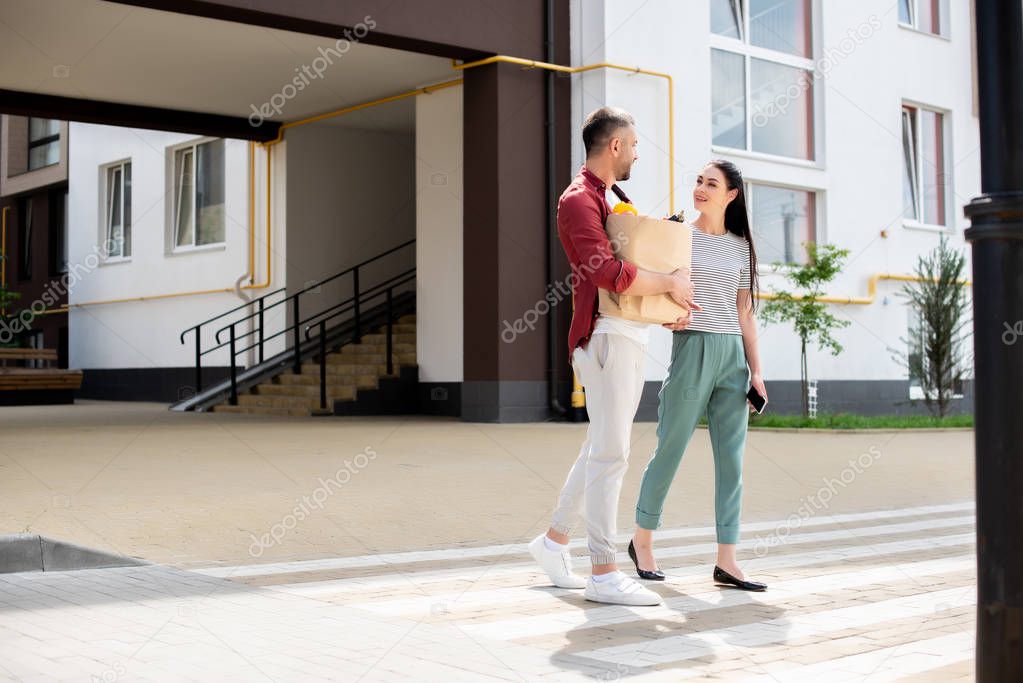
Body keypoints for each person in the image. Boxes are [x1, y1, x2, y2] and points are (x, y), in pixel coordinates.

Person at [529, 106, 698, 606]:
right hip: (605, 335)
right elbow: (608, 272)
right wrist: (669, 284)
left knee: (599, 448)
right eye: (635, 143)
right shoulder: (578, 200)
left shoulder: (611, 196)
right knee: (612, 452)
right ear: (615, 146)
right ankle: (603, 570)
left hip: (626, 330)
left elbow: (634, 266)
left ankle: (553, 543)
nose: (639, 152)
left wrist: (665, 306)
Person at [628, 159, 769, 592]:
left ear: (731, 195)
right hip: (693, 350)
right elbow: (656, 287)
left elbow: (744, 311)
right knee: (670, 447)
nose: (701, 189)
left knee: (732, 461)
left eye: (711, 184)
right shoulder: (677, 236)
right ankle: (642, 541)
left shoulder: (741, 247)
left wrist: (757, 373)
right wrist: (668, 316)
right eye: (698, 182)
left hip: (732, 359)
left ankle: (727, 559)